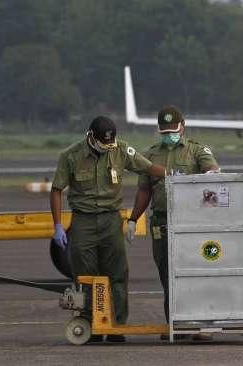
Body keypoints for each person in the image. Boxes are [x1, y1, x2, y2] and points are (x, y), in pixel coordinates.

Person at [50, 116, 166, 343]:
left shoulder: (121, 149)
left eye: (109, 145)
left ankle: (117, 326)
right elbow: (56, 190)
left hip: (111, 220)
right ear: (90, 137)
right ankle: (90, 323)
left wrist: (174, 175)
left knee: (117, 274)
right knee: (85, 275)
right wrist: (57, 225)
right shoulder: (70, 156)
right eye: (103, 145)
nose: (107, 149)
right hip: (82, 221)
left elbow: (149, 167)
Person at [126, 106, 219, 340]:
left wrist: (209, 177)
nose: (169, 135)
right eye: (165, 132)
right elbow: (144, 190)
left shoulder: (197, 151)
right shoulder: (150, 155)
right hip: (162, 222)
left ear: (183, 126)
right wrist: (133, 219)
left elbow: (214, 172)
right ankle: (176, 325)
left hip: (192, 223)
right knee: (167, 275)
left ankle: (200, 325)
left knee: (196, 272)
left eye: (173, 131)